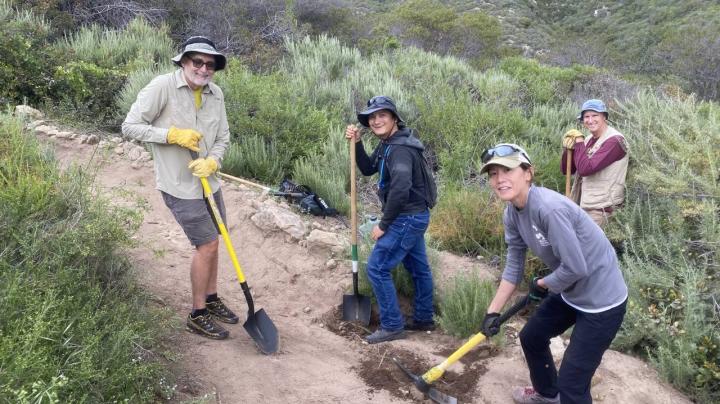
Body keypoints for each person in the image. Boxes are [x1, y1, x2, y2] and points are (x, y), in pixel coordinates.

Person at [479, 143, 628, 404]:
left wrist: (543, 283)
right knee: (532, 337)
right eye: (493, 174)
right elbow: (514, 265)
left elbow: (576, 268)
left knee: (572, 384)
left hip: (602, 302)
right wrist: (493, 312)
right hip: (572, 290)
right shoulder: (512, 214)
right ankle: (547, 395)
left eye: (508, 170)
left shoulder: (548, 208)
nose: (500, 179)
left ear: (528, 173)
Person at [122, 36, 238, 340]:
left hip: (209, 182)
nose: (203, 68)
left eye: (209, 64)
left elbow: (223, 137)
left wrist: (213, 161)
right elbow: (130, 125)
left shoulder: (217, 94)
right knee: (207, 245)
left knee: (217, 239)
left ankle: (212, 299)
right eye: (196, 62)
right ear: (183, 62)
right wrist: (171, 134)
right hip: (180, 185)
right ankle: (198, 313)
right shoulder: (162, 87)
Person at [344, 95, 436, 344]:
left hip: (406, 217)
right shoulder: (390, 144)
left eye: (382, 115)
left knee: (377, 267)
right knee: (418, 268)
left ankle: (393, 325)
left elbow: (400, 189)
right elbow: (367, 168)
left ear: (394, 118)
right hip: (415, 215)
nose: (375, 120)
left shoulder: (400, 149)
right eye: (372, 117)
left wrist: (383, 225)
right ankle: (424, 318)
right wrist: (357, 143)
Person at [561, 99, 629, 228]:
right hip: (584, 205)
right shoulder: (588, 140)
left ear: (604, 117)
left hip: (602, 210)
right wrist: (567, 150)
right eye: (586, 116)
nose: (590, 120)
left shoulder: (614, 141)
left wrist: (579, 143)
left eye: (595, 115)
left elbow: (586, 169)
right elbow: (567, 170)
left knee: (589, 247)